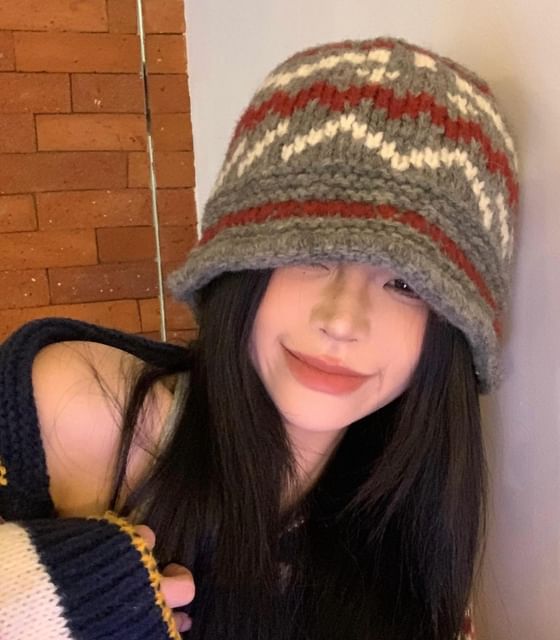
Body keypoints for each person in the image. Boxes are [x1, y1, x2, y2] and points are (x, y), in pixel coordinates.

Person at [0, 34, 519, 639]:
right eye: (309, 251)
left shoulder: (412, 537)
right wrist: (48, 602)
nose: (342, 320)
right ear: (239, 266)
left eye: (406, 283)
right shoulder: (86, 412)